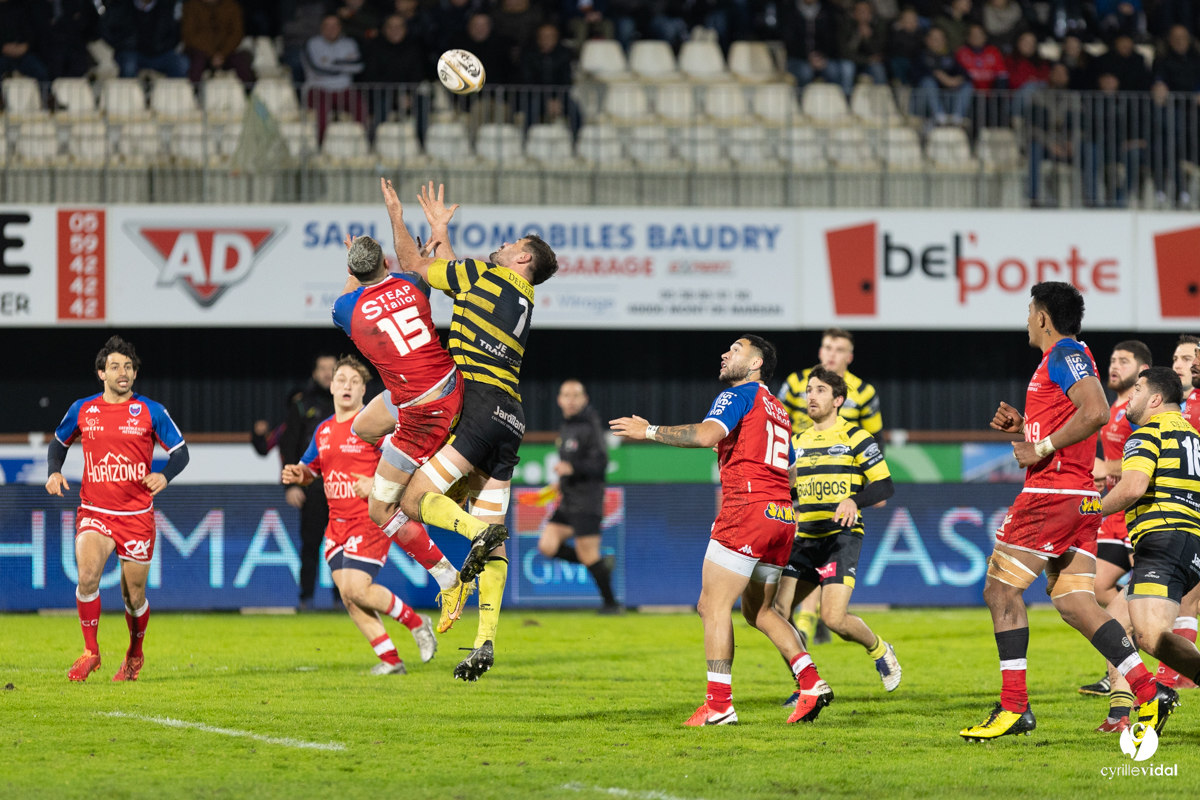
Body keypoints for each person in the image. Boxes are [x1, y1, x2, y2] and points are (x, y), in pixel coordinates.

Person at [960, 282, 1176, 741]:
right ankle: (1146, 689)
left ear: (1042, 317)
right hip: (1078, 501)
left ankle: (1015, 707)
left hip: (1051, 496)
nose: (1026, 320)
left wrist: (1038, 443)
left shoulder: (1065, 353)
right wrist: (1025, 427)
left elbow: (1096, 411)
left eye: (1029, 311)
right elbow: (1076, 418)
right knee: (1076, 603)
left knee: (1000, 591)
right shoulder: (1060, 360)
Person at [384, 178, 559, 682]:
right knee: (496, 549)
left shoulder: (485, 273)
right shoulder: (513, 291)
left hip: (478, 407)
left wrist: (402, 219)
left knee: (413, 501)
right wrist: (440, 230)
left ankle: (475, 533)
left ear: (522, 259)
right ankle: (484, 642)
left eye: (510, 246)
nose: (500, 246)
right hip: (512, 418)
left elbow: (419, 268)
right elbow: (455, 276)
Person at [610, 337, 834, 726]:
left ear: (755, 363)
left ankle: (719, 705)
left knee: (711, 606)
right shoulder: (779, 410)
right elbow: (791, 471)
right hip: (781, 516)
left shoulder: (738, 395)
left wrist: (648, 431)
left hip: (746, 510)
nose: (725, 354)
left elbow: (705, 435)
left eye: (735, 349)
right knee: (760, 611)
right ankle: (811, 682)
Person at [330, 226, 472, 636]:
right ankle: (399, 461)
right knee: (362, 425)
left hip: (421, 409)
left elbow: (347, 297)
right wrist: (408, 242)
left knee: (380, 510)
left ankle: (448, 577)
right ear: (386, 263)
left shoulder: (346, 310)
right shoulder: (411, 284)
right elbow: (412, 273)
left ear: (353, 272)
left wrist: (354, 270)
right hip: (438, 382)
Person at [46, 336, 190, 682]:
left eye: (128, 367)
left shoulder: (150, 411)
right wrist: (54, 471)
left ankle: (134, 654)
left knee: (133, 595)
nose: (122, 372)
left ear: (135, 373)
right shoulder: (83, 409)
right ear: (101, 373)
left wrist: (165, 477)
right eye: (115, 366)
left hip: (137, 516)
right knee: (87, 577)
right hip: (95, 510)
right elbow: (58, 444)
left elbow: (181, 453)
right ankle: (90, 652)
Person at [282, 355, 438, 675]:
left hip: (369, 520)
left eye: (354, 381)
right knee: (351, 598)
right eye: (341, 380)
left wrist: (377, 482)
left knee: (355, 589)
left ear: (364, 390)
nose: (347, 386)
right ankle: (391, 661)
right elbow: (311, 470)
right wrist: (299, 474)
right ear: (332, 387)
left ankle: (417, 622)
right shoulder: (323, 430)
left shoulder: (373, 427)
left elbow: (408, 462)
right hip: (335, 526)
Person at [775, 366, 900, 707]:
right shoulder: (796, 443)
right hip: (805, 538)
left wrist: (853, 500)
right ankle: (807, 683)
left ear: (838, 400)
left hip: (840, 539)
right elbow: (782, 484)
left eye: (819, 390)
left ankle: (879, 649)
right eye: (808, 390)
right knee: (777, 611)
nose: (810, 396)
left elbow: (885, 485)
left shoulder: (856, 437)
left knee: (834, 619)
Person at [1096, 367, 1200, 731]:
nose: (1130, 397)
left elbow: (1132, 488)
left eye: (1137, 390)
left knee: (1151, 637)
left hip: (1164, 538)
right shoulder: (1191, 435)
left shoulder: (1148, 433)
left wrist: (1088, 511)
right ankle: (1122, 712)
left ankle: (1154, 696)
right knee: (1114, 623)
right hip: (1184, 540)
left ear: (1155, 399)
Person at [777, 328, 883, 646]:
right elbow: (776, 420)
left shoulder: (863, 391)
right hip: (799, 475)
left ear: (849, 356)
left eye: (839, 349)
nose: (831, 354)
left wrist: (870, 484)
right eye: (827, 347)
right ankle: (809, 623)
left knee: (822, 544)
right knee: (807, 544)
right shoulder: (797, 384)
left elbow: (875, 438)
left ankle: (810, 624)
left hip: (840, 481)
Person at [1076, 340, 1151, 711]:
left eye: (1124, 361)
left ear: (1143, 370)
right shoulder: (1112, 408)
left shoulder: (1140, 411)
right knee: (1098, 586)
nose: (1115, 366)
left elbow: (1150, 459)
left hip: (1137, 511)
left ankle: (1128, 670)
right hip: (1113, 513)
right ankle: (1125, 660)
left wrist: (1109, 469)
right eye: (1112, 360)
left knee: (1128, 599)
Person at [536, 380, 619, 613]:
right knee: (547, 545)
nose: (570, 399)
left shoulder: (590, 425)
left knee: (587, 553)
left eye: (576, 395)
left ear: (585, 400)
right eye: (566, 395)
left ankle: (611, 605)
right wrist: (559, 483)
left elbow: (601, 463)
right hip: (568, 501)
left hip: (587, 501)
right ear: (559, 400)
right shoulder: (566, 426)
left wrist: (572, 468)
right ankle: (601, 566)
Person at [278, 354, 336, 610]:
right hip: (312, 486)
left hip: (342, 487)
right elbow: (289, 447)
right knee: (311, 544)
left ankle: (344, 600)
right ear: (314, 374)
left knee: (344, 546)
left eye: (332, 369)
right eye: (322, 369)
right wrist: (291, 484)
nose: (327, 373)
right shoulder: (302, 405)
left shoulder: (350, 406)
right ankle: (306, 600)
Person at [303, 15, 365, 138]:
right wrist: (344, 65)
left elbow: (358, 66)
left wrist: (332, 62)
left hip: (345, 89)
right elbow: (316, 70)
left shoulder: (349, 43)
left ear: (341, 28)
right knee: (321, 116)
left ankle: (361, 145)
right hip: (319, 89)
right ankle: (321, 149)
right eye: (327, 26)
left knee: (361, 110)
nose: (331, 29)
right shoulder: (312, 44)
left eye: (335, 25)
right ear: (321, 28)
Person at [102, 0, 190, 79]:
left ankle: (168, 95)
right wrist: (122, 44)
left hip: (160, 54)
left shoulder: (166, 5)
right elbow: (104, 28)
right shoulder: (122, 5)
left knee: (181, 64)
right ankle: (128, 96)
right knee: (129, 66)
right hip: (132, 53)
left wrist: (165, 45)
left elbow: (176, 31)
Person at [181, 0, 254, 83]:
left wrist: (222, 54)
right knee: (197, 61)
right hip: (200, 51)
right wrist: (212, 54)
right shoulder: (191, 6)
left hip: (225, 53)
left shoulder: (231, 6)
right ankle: (193, 92)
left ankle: (249, 92)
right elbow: (189, 35)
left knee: (241, 60)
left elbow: (236, 34)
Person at [912, 26, 973, 123]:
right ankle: (939, 118)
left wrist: (956, 79)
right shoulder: (919, 55)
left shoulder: (949, 56)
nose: (938, 41)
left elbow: (965, 74)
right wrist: (938, 75)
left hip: (947, 98)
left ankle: (957, 119)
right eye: (934, 39)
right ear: (927, 40)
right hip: (922, 102)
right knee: (928, 82)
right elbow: (915, 76)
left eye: (940, 38)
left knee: (967, 85)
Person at [779, 0, 841, 88]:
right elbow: (789, 42)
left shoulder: (827, 10)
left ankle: (832, 100)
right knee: (805, 73)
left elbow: (831, 40)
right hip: (798, 58)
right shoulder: (790, 10)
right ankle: (801, 100)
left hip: (822, 58)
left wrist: (822, 56)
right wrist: (807, 57)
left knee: (834, 71)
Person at [31, 0, 99, 80]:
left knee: (78, 65)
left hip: (72, 45)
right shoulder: (36, 5)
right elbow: (41, 29)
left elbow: (84, 24)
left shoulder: (73, 3)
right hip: (46, 47)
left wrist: (58, 23)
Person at [837, 0, 889, 95]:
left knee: (878, 69)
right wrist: (857, 36)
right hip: (852, 60)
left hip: (869, 62)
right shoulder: (846, 24)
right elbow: (845, 52)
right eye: (860, 11)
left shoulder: (878, 24)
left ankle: (881, 100)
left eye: (866, 11)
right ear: (853, 13)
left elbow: (878, 51)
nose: (863, 14)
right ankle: (847, 99)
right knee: (847, 69)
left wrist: (868, 38)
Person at [1, 0, 52, 82]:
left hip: (24, 54)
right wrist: (2, 48)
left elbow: (33, 33)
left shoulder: (23, 6)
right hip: (3, 54)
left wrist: (26, 47)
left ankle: (46, 94)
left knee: (41, 72)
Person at [956, 23, 1007, 91]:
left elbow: (1002, 75)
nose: (976, 37)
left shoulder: (993, 51)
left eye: (979, 34)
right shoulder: (961, 52)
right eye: (972, 34)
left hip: (991, 95)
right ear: (968, 37)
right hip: (969, 95)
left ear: (985, 36)